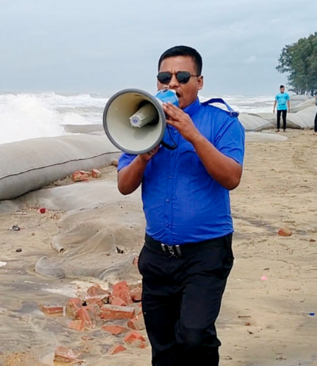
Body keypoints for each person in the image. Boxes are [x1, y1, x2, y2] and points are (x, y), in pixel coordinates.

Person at [117, 45, 244, 366]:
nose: (172, 83)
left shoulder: (222, 122)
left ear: (199, 82)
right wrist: (144, 155)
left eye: (182, 76)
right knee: (163, 347)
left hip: (205, 254)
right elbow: (124, 185)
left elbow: (231, 177)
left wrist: (194, 135)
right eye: (164, 77)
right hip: (157, 255)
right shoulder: (142, 124)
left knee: (194, 334)